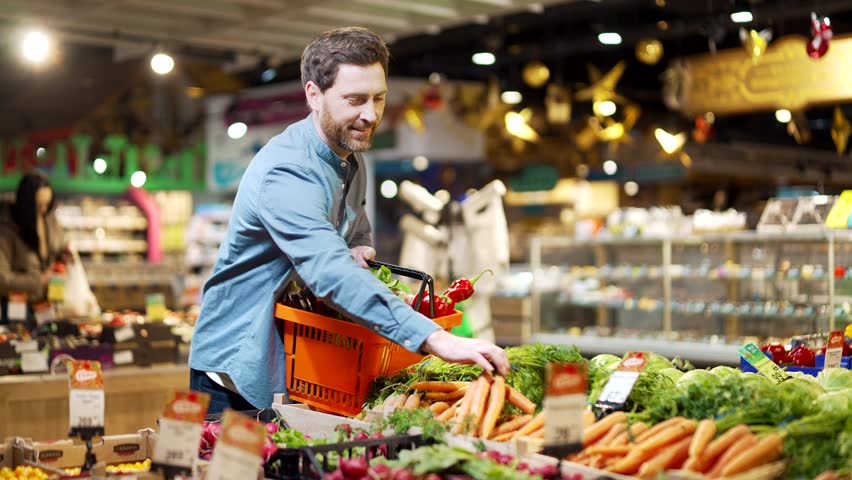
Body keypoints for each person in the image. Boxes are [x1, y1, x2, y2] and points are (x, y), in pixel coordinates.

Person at [188, 26, 509, 413]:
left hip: (301, 360)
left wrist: (358, 247)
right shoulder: (287, 172)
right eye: (355, 100)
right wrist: (434, 338)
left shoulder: (350, 157)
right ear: (313, 95)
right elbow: (329, 270)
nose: (370, 114)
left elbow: (355, 235)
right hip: (238, 372)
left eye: (379, 98)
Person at [0, 171, 68, 325]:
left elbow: (54, 250)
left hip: (46, 305)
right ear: (26, 204)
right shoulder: (5, 230)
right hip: (16, 309)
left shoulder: (48, 219)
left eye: (47, 204)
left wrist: (64, 254)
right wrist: (39, 280)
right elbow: (2, 279)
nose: (43, 210)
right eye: (38, 205)